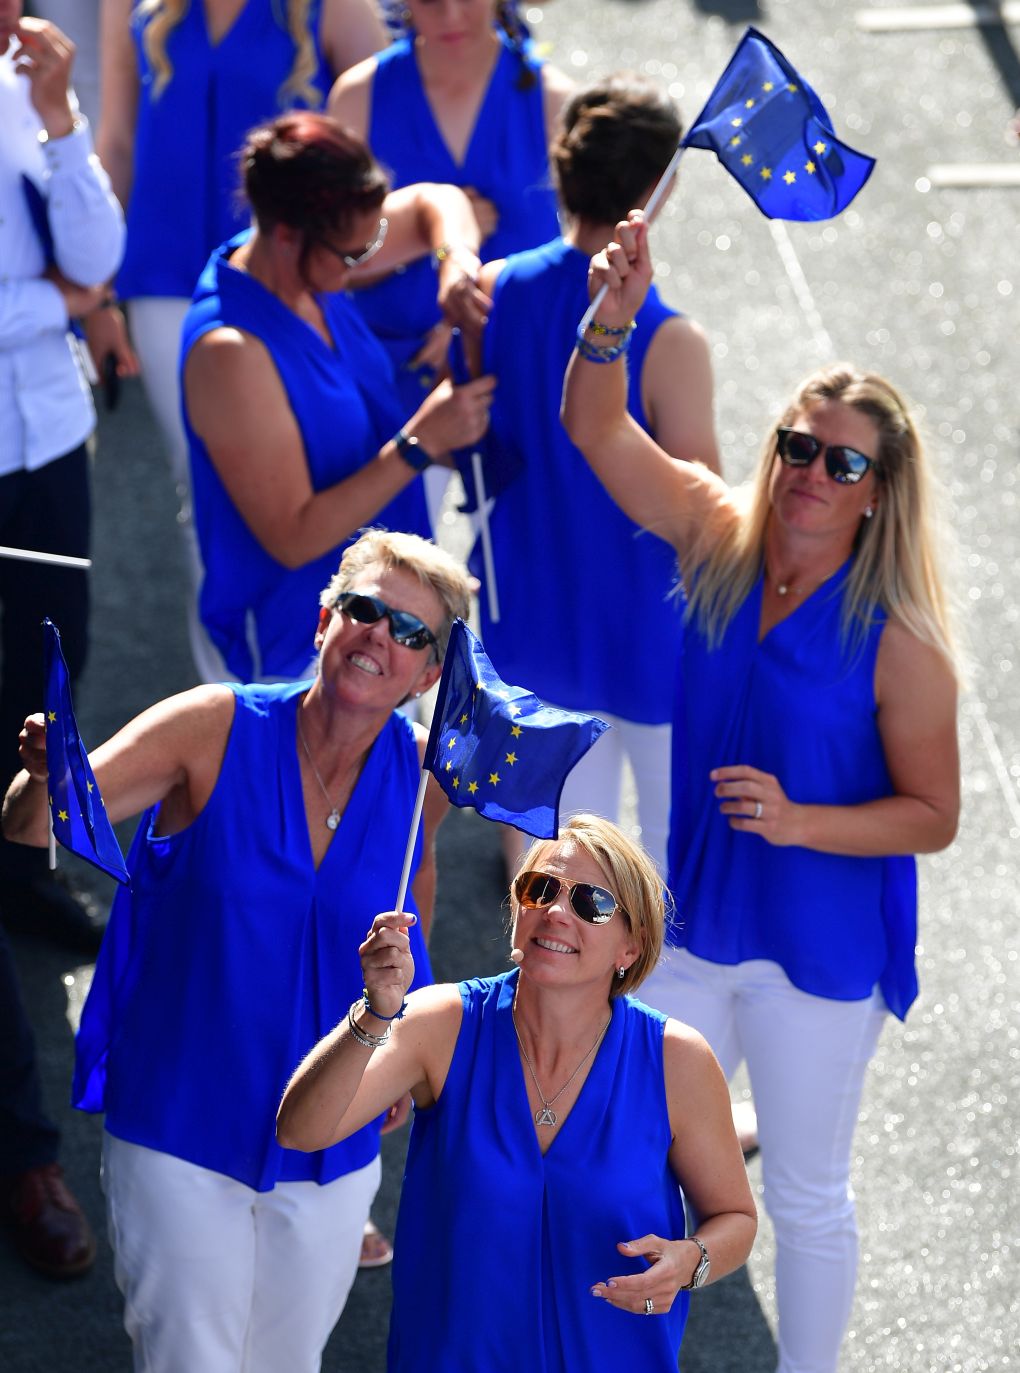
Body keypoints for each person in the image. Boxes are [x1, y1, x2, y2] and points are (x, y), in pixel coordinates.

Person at [562, 214, 963, 1373]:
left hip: (820, 959)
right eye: (798, 444)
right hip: (691, 932)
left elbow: (937, 814)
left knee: (803, 1191)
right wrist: (611, 318)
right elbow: (595, 426)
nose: (810, 473)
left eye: (844, 462)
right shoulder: (715, 536)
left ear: (880, 491)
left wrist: (803, 821)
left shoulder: (903, 641)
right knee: (625, 1154)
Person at [2, 529, 471, 1371]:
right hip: (183, 1116)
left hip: (333, 1126)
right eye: (365, 611)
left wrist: (404, 1040)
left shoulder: (421, 780)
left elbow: (415, 898)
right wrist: (41, 773)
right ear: (325, 619)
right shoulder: (211, 726)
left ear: (432, 672)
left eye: (411, 633)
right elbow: (37, 824)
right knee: (190, 1360)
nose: (380, 638)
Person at [277, 812, 758, 1372]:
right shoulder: (443, 1023)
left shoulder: (677, 1060)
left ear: (630, 947)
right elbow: (301, 1131)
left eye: (592, 904)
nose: (556, 911)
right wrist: (375, 1014)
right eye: (541, 888)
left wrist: (691, 1260)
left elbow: (735, 1220)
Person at [93, 0, 391, 678]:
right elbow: (115, 141)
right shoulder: (134, 7)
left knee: (318, 472)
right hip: (164, 279)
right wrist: (98, 293)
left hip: (292, 277)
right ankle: (230, 697)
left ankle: (347, 668)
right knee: (207, 491)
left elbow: (374, 140)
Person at [472, 74, 719, 875]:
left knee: (550, 887)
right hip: (650, 641)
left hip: (531, 627)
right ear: (662, 189)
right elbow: (704, 520)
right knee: (668, 885)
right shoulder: (672, 341)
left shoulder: (494, 291)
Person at [180, 111, 495, 684]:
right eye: (352, 253)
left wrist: (453, 265)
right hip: (294, 650)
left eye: (372, 240)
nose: (365, 261)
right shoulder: (230, 352)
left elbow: (437, 202)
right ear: (285, 235)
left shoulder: (303, 262)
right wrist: (423, 441)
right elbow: (293, 537)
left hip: (376, 620)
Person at [0, 0, 126, 1279]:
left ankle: (20, 869)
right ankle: (22, 1150)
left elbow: (102, 249)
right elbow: (74, 286)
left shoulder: (31, 94)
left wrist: (57, 122)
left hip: (41, 440)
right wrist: (55, 298)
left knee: (54, 667)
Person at [329, 0, 573, 521]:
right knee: (388, 570)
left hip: (514, 374)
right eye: (432, 0)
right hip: (392, 370)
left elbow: (583, 260)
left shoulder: (555, 101)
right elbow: (326, 259)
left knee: (516, 571)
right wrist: (429, 237)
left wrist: (471, 335)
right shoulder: (358, 96)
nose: (453, 16)